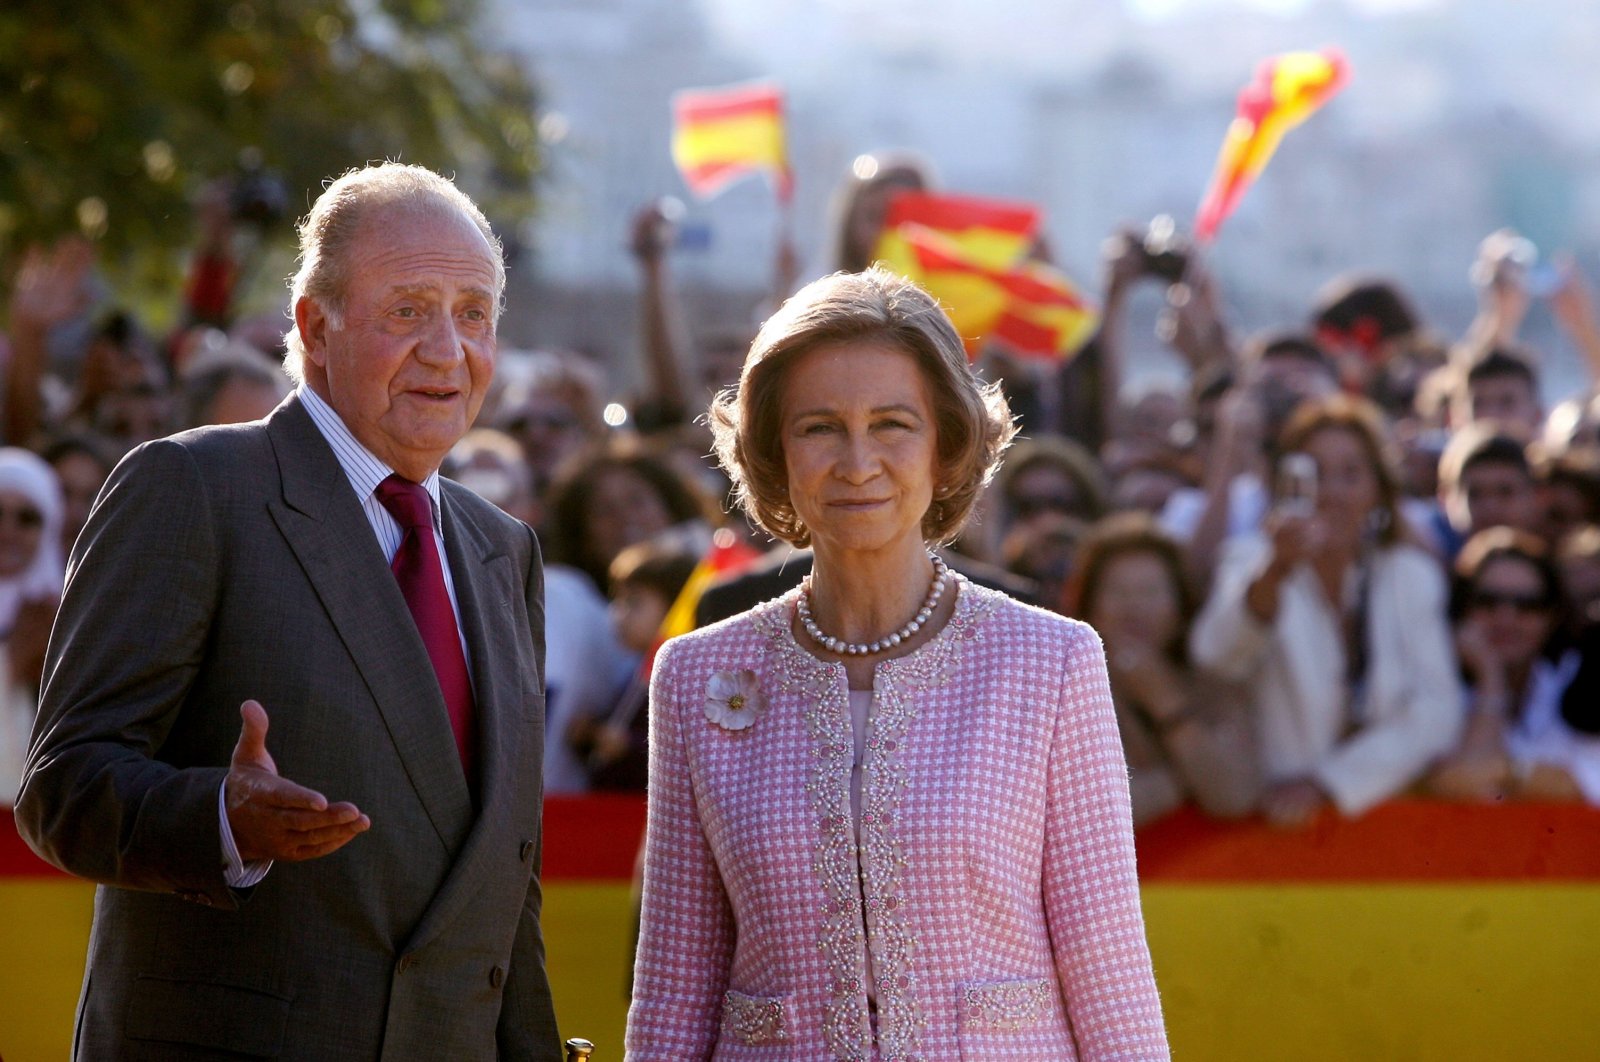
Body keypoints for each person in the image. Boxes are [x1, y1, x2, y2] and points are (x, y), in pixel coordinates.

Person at [14, 162, 562, 1059]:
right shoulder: (193, 487)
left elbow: (504, 880)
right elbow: (64, 787)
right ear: (316, 326)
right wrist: (222, 820)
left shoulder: (503, 548)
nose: (447, 348)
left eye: (474, 314)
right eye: (407, 310)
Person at [627, 268, 1168, 1060]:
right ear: (773, 451)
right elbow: (675, 986)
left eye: (892, 424)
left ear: (949, 447)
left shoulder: (1052, 662)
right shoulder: (695, 675)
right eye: (818, 427)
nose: (856, 461)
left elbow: (1107, 963)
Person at [1191, 395, 1461, 827]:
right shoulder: (1250, 560)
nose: (1331, 493)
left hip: (1381, 824)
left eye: (1350, 474)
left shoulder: (1411, 575)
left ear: (1378, 490)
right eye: (1313, 474)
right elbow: (1216, 656)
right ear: (1285, 485)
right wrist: (1276, 571)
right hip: (1271, 832)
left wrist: (1329, 783)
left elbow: (1437, 712)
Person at [1064, 513, 1258, 827]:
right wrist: (1184, 778)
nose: (1134, 607)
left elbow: (1234, 797)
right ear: (1089, 607)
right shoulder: (1065, 694)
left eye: (1150, 591)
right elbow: (1087, 815)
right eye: (1118, 592)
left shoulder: (1215, 687)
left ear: (1180, 608)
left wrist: (1166, 702)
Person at [1427, 529, 1598, 803]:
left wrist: (1510, 771)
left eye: (1528, 605)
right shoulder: (1433, 691)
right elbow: (1467, 784)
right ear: (1463, 609)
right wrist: (1490, 676)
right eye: (1488, 601)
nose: (1506, 618)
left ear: (1553, 617)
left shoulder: (1581, 681)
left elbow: (1587, 785)